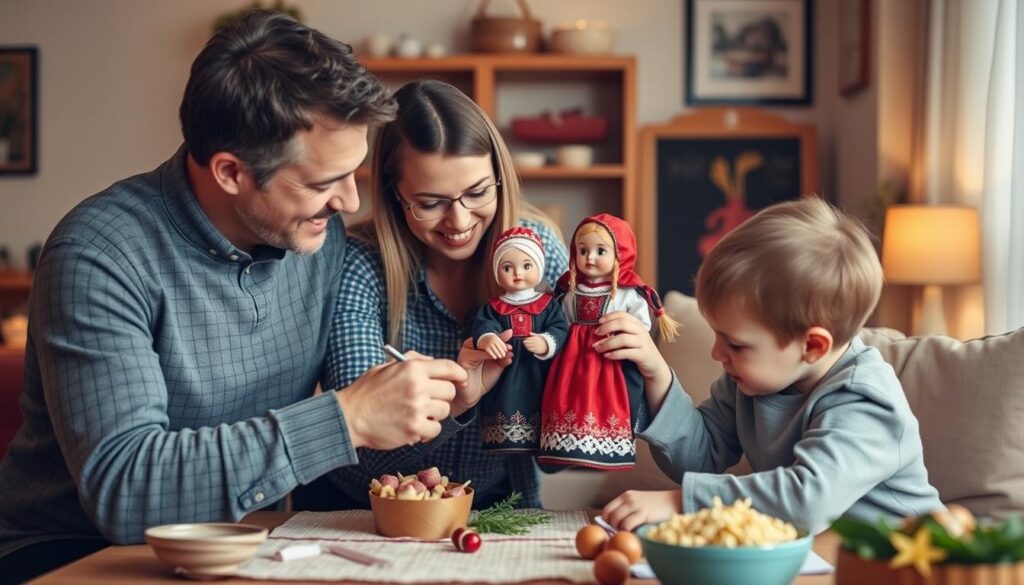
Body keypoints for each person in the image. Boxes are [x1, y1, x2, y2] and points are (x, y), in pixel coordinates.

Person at [0, 12, 471, 582]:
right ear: (230, 172)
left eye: (354, 173)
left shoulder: (318, 240)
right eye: (324, 183)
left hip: (244, 548)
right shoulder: (101, 253)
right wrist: (344, 419)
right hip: (75, 553)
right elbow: (123, 493)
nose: (349, 202)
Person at [302, 79, 571, 510]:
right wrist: (459, 403)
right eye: (430, 202)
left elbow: (560, 448)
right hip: (360, 506)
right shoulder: (357, 264)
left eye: (478, 192)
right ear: (394, 195)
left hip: (496, 503)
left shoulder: (536, 252)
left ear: (499, 177)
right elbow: (366, 446)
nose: (459, 220)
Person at [601, 198, 944, 534]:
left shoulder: (865, 400)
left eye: (735, 343)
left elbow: (805, 500)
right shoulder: (750, 382)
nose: (717, 353)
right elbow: (698, 458)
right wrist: (657, 375)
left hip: (905, 565)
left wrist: (681, 503)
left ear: (811, 346)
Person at [538, 214, 679, 470]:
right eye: (583, 250)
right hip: (572, 361)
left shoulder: (627, 293)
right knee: (572, 399)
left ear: (619, 254)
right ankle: (568, 443)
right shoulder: (570, 292)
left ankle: (605, 441)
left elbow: (641, 327)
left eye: (600, 250)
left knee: (606, 400)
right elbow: (563, 321)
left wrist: (626, 334)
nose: (589, 257)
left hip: (608, 359)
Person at [468, 226, 569, 453]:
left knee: (543, 404)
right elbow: (484, 325)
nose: (518, 273)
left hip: (538, 369)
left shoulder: (548, 304)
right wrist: (488, 339)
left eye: (526, 265)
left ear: (539, 268)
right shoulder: (494, 307)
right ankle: (506, 437)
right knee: (505, 403)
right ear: (496, 271)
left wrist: (546, 342)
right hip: (505, 372)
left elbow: (560, 328)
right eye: (507, 267)